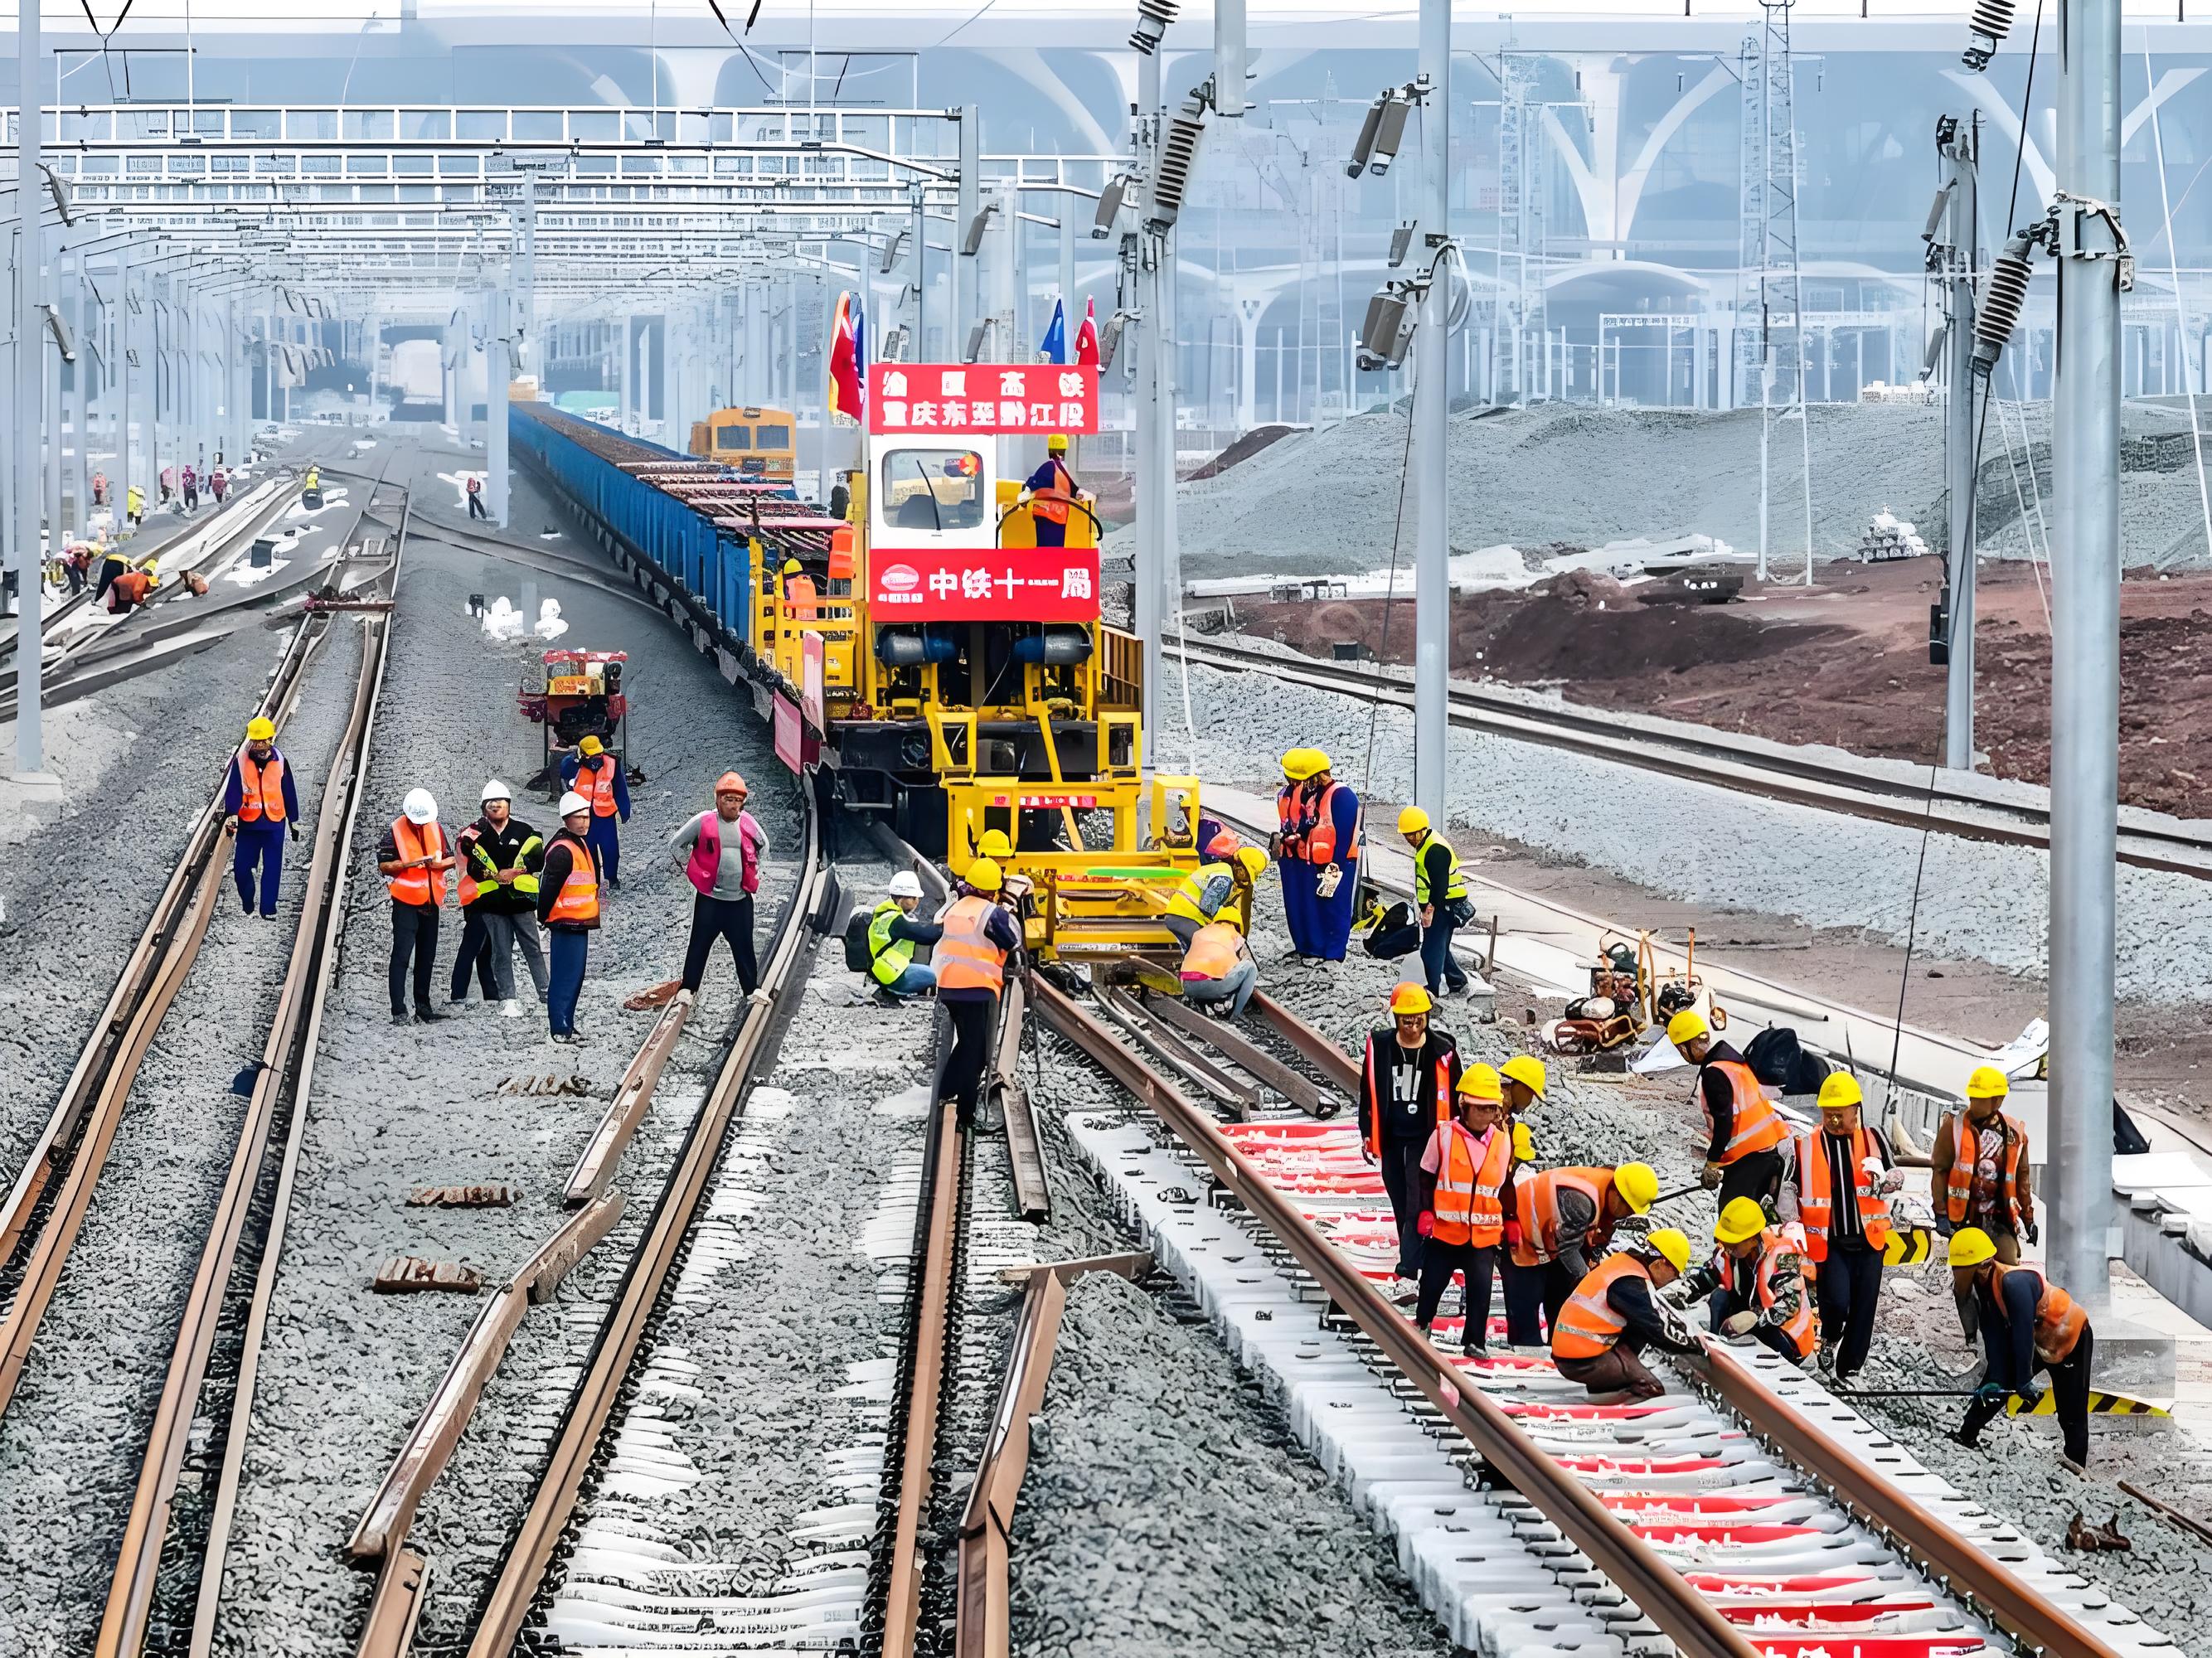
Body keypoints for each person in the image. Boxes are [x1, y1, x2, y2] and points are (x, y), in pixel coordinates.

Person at [1778, 1072, 1899, 1383]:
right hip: (1829, 1245)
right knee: (1836, 1302)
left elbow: (1894, 1175)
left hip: (1870, 1241)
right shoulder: (1806, 1146)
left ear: (1855, 1109)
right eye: (1828, 1113)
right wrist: (1791, 1224)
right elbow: (1789, 1186)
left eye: (1839, 1114)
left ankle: (1849, 1369)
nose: (1833, 1120)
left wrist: (1889, 1179)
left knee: (1863, 1310)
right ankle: (1831, 1337)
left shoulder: (1874, 1139)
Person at [1949, 1226, 2093, 1468]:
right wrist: (1996, 1378)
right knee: (1993, 1387)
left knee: (2072, 1408)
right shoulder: (1985, 1289)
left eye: (1960, 1270)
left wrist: (2023, 1379)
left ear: (1980, 1266)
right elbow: (1994, 1336)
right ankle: (1966, 1435)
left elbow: (2022, 1332)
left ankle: (2076, 1464)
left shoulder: (2014, 1283)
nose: (1957, 1277)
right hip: (2040, 1338)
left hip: (2071, 1337)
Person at [1359, 984, 1463, 1299]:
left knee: (1418, 1201)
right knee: (1400, 1199)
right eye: (1407, 1020)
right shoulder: (1380, 1046)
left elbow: (1456, 1095)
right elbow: (1367, 1091)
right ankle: (1418, 1249)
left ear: (1427, 1017)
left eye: (1418, 1019)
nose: (1413, 1026)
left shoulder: (1443, 1051)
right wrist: (1366, 1131)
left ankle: (1408, 1269)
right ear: (1396, 1019)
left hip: (1426, 1138)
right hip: (1391, 1136)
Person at [1413, 1064, 1515, 1356]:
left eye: (1491, 1109)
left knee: (1481, 1289)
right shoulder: (1444, 1135)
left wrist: (1511, 1220)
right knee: (1432, 1283)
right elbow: (1426, 1175)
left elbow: (1505, 1185)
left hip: (1483, 1236)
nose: (1485, 1115)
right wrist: (1425, 1211)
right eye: (1480, 1108)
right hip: (1446, 1231)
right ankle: (1423, 1324)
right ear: (1464, 1106)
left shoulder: (1502, 1142)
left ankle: (1474, 1342)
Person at [1932, 1065, 2035, 1341]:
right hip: (1965, 1221)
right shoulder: (1954, 1128)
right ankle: (1972, 1338)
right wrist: (1941, 1213)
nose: (1974, 1103)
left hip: (1999, 1221)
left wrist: (2028, 1217)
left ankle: (2007, 1333)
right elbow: (1940, 1170)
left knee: (2008, 1276)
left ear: (1997, 1100)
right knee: (1964, 1285)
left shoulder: (2014, 1133)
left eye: (1980, 1098)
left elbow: (2022, 1178)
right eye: (1973, 1097)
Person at [1508, 1160, 1661, 1340]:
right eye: (1628, 1208)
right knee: (1526, 1309)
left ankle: (1554, 1345)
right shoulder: (1582, 1201)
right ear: (1617, 1194)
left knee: (1560, 1299)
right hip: (1523, 1231)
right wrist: (1588, 1278)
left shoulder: (1606, 1185)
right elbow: (1568, 1249)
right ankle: (1526, 1352)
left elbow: (1583, 1235)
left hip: (1550, 1238)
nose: (1628, 1214)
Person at [1550, 1229, 1702, 1402]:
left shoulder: (1623, 1265)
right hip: (1580, 1359)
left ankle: (1605, 1387)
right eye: (1674, 1274)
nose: (1671, 1281)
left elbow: (1654, 1316)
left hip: (1573, 1349)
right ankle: (1612, 1399)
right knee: (1652, 1389)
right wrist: (1693, 1347)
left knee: (1635, 1332)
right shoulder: (1631, 1282)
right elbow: (1655, 1329)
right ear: (1662, 1262)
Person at [1667, 1009, 1789, 1209]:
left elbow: (1725, 1120)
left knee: (1731, 1217)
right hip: (1768, 1150)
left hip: (1750, 1160)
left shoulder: (1713, 1073)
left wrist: (1712, 1162)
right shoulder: (1732, 1062)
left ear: (1684, 1047)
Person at [1676, 1198, 1819, 1366]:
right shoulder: (1729, 1252)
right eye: (1726, 1243)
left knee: (1773, 1337)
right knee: (1719, 1296)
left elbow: (1791, 1304)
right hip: (1747, 1319)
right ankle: (1717, 1349)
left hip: (1784, 1336)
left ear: (1753, 1239)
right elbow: (1709, 1275)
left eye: (1733, 1244)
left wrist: (1755, 1318)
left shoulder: (1783, 1256)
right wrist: (1683, 1290)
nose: (1728, 1248)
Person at [670, 770, 770, 1004]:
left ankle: (751, 988)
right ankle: (689, 987)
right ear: (717, 799)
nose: (733, 805)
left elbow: (764, 846)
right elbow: (676, 844)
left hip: (739, 900)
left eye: (737, 800)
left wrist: (757, 871)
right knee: (699, 943)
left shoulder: (748, 823)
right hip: (710, 899)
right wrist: (690, 868)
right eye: (728, 799)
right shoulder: (703, 821)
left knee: (744, 946)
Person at [450, 781, 547, 1015]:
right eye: (491, 803)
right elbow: (473, 868)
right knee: (501, 952)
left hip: (521, 902)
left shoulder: (524, 831)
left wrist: (518, 871)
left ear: (508, 805)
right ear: (484, 808)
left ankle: (546, 992)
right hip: (492, 904)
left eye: (500, 802)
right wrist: (494, 875)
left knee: (532, 948)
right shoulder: (478, 839)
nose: (495, 806)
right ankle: (508, 998)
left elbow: (538, 859)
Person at [937, 857, 1021, 1124]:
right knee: (977, 1053)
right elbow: (1013, 940)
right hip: (976, 988)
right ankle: (966, 1113)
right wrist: (1009, 906)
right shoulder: (990, 912)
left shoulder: (957, 908)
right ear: (994, 889)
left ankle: (945, 1091)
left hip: (949, 986)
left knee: (968, 1044)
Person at [378, 788, 454, 1025]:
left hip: (431, 900)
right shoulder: (394, 831)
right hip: (405, 902)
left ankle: (423, 1007)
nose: (420, 824)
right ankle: (399, 1010)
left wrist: (439, 865)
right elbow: (383, 865)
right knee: (401, 955)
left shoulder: (436, 828)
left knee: (426, 956)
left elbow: (451, 857)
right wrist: (408, 864)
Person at [537, 790, 603, 1043]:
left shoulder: (579, 843)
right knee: (565, 977)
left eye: (587, 817)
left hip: (579, 920)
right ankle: (559, 1027)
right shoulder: (563, 850)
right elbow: (549, 888)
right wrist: (543, 917)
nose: (585, 822)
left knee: (574, 977)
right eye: (579, 817)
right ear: (567, 819)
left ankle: (566, 1023)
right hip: (565, 921)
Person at [223, 715, 301, 918]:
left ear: (270, 739)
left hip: (275, 823)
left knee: (272, 868)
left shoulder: (280, 761)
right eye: (255, 741)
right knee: (241, 869)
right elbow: (233, 790)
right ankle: (248, 901)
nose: (258, 745)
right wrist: (231, 814)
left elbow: (288, 790)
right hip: (249, 823)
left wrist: (293, 819)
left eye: (262, 741)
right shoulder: (241, 762)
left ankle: (268, 909)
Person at [1397, 806, 1472, 998]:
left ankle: (1432, 991)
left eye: (1411, 835)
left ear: (1421, 830)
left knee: (1430, 952)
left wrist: (1428, 912)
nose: (1408, 839)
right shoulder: (1427, 843)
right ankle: (1457, 981)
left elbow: (1440, 887)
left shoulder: (1435, 850)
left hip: (1444, 906)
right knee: (1440, 947)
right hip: (1440, 904)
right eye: (1406, 835)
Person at [1297, 752, 1362, 962]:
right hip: (1321, 862)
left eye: (1309, 778)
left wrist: (1335, 865)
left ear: (1318, 775)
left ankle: (1335, 954)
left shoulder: (1342, 795)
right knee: (1323, 905)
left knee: (1337, 907)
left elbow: (1344, 833)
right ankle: (1323, 949)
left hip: (1340, 862)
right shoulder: (1317, 795)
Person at [1162, 845, 1269, 949]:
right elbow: (1208, 907)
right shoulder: (1225, 879)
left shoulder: (1223, 870)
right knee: (1209, 950)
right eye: (1247, 873)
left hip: (1181, 915)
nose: (1246, 879)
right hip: (1186, 917)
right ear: (1239, 865)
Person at [560, 734, 631, 888]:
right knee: (588, 849)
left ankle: (612, 878)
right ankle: (593, 880)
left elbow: (620, 788)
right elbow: (564, 770)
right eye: (592, 755)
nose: (597, 758)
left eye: (599, 754)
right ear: (583, 755)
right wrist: (575, 758)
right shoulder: (574, 765)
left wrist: (625, 810)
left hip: (606, 817)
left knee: (610, 849)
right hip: (583, 816)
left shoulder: (612, 763)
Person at [1273, 749, 1321, 959]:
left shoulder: (1312, 794)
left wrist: (1298, 835)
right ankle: (1301, 945)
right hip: (1289, 857)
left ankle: (1313, 947)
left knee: (1309, 902)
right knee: (1293, 904)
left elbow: (1314, 823)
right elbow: (1285, 823)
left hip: (1307, 857)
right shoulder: (1282, 795)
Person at [866, 870, 942, 1000]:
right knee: (933, 975)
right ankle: (893, 992)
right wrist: (944, 926)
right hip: (891, 974)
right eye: (913, 898)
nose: (917, 901)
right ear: (902, 898)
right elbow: (928, 936)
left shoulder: (884, 913)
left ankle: (887, 992)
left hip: (881, 968)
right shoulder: (897, 922)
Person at [1017, 433, 1094, 548]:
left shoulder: (1054, 467)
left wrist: (1078, 494)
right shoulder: (1058, 468)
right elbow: (1073, 490)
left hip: (1051, 517)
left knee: (1049, 550)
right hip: (1055, 517)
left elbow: (1033, 484)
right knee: (1054, 550)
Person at [1178, 910, 1258, 1020]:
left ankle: (1205, 1003)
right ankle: (1236, 1015)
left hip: (1187, 986)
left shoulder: (1199, 933)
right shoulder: (1235, 935)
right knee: (1250, 968)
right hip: (1212, 987)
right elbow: (1242, 961)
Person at [780, 558, 818, 625]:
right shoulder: (809, 582)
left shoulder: (791, 582)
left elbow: (791, 600)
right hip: (812, 620)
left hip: (796, 621)